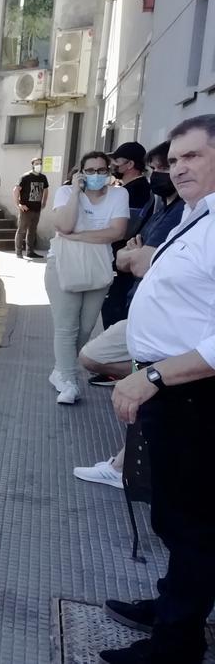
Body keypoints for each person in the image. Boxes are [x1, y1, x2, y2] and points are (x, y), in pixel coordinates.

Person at [100, 115, 215, 664]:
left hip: (194, 396)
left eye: (193, 156)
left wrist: (151, 376)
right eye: (175, 158)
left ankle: (177, 645)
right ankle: (174, 605)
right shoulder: (197, 215)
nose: (178, 167)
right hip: (171, 389)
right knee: (173, 513)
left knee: (193, 522)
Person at [73, 141, 186, 489]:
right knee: (96, 356)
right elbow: (129, 252)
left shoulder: (190, 214)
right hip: (143, 311)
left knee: (158, 387)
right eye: (165, 166)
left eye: (180, 162)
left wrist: (138, 257)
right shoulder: (164, 207)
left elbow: (136, 252)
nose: (170, 173)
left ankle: (124, 467)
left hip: (170, 319)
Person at [45, 152, 129, 405]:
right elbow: (64, 226)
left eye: (101, 170)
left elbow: (116, 232)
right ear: (80, 172)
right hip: (63, 264)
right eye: (90, 170)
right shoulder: (65, 193)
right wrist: (75, 192)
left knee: (86, 326)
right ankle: (70, 382)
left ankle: (60, 371)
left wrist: (79, 237)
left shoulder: (119, 194)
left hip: (98, 266)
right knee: (66, 326)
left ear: (109, 172)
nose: (96, 175)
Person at [101, 142, 151, 328]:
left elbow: (120, 229)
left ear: (129, 165)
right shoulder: (132, 189)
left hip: (123, 263)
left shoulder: (133, 192)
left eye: (116, 161)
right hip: (122, 261)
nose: (112, 166)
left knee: (114, 315)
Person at [13, 157, 50, 258]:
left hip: (37, 208)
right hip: (26, 209)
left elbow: (46, 190)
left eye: (40, 163)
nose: (39, 165)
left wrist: (44, 202)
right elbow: (16, 190)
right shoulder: (25, 177)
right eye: (37, 163)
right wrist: (19, 204)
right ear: (33, 165)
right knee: (21, 230)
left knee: (32, 231)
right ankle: (19, 252)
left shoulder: (43, 177)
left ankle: (30, 251)